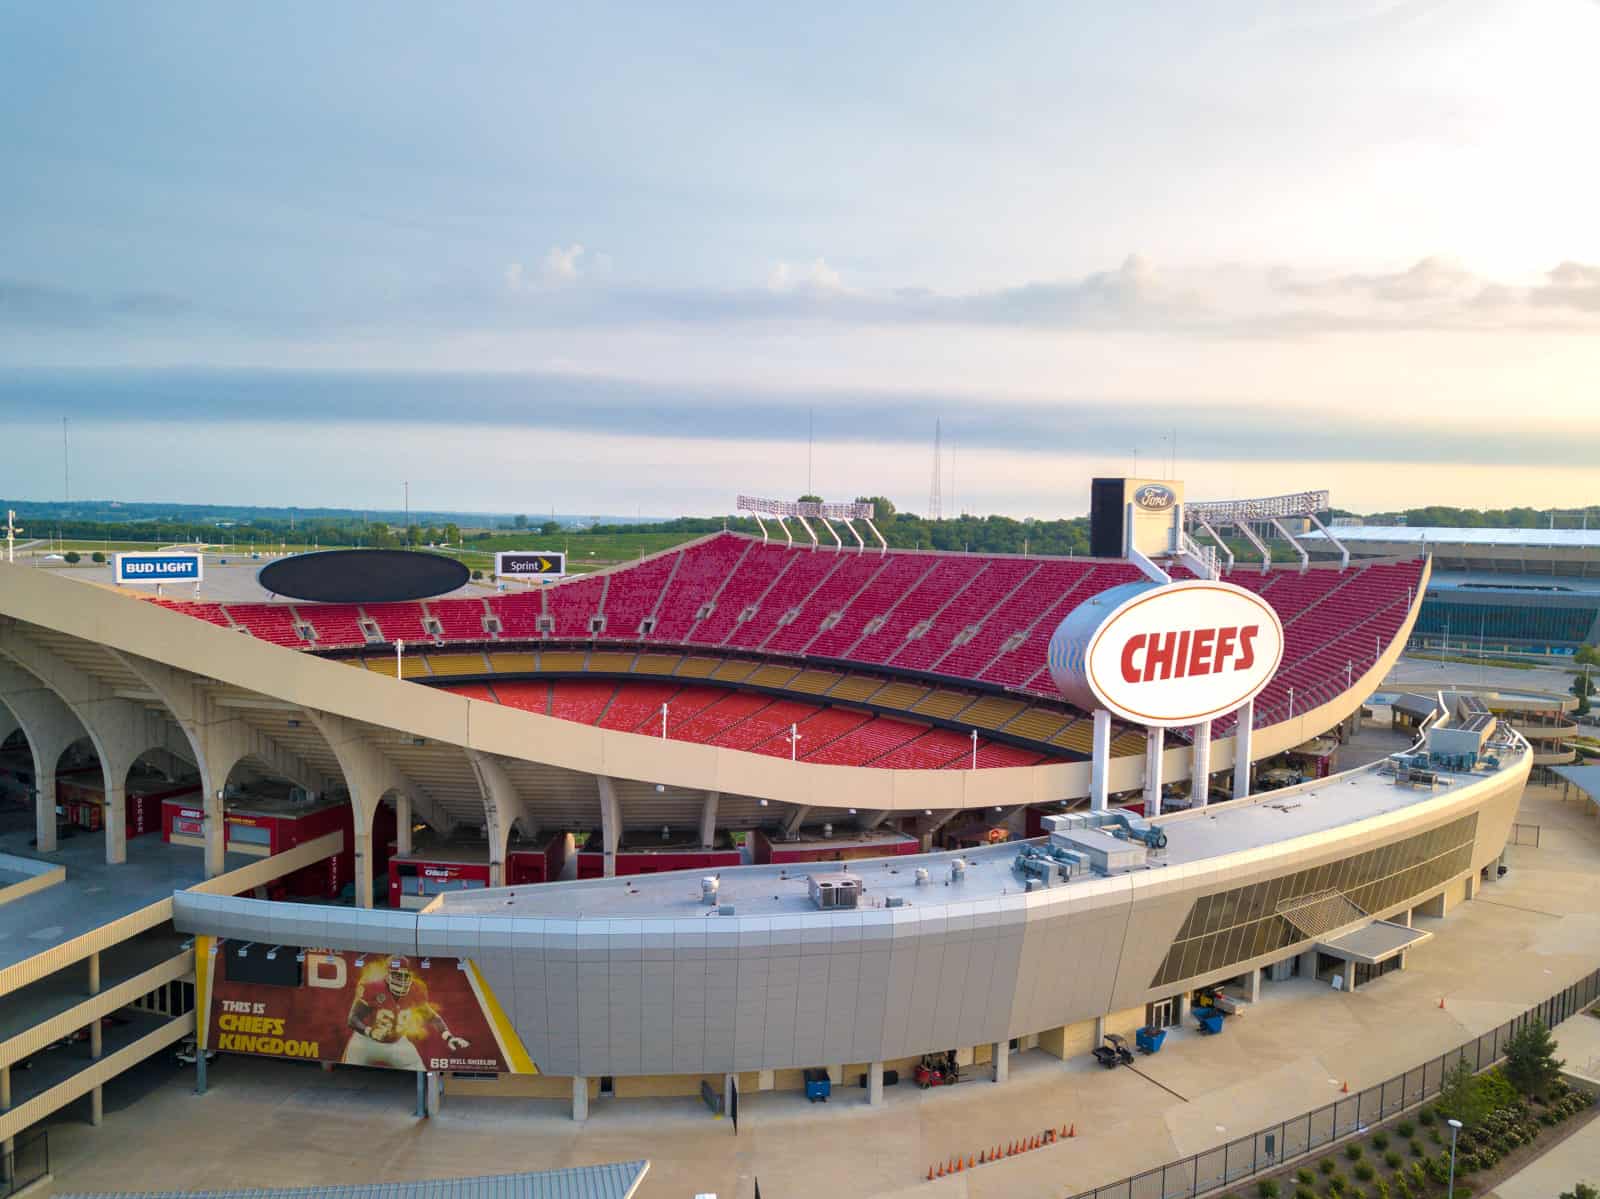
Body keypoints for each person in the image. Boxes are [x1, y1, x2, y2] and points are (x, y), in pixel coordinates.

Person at [341, 961, 470, 1070]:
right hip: (365, 1042)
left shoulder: (415, 990)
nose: (402, 981)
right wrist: (369, 1032)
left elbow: (432, 1018)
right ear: (387, 975)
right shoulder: (373, 988)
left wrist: (449, 1037)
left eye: (405, 976)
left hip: (397, 1044)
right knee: (346, 1074)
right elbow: (353, 1019)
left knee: (419, 1069)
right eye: (397, 975)